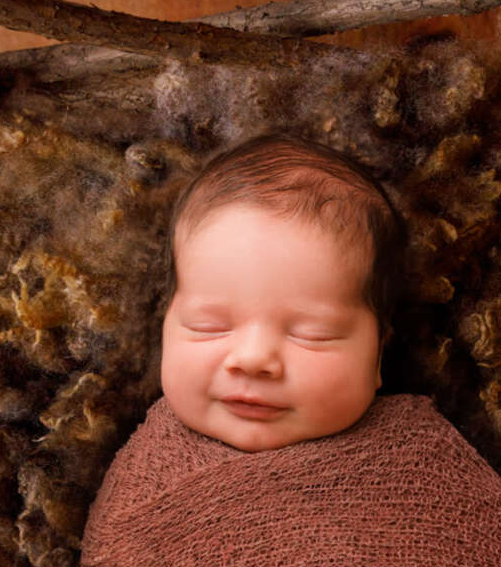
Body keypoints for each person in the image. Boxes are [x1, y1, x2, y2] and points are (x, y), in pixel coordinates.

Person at [157, 132, 405, 452]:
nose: (253, 358)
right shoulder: (140, 459)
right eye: (208, 326)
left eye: (313, 333)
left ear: (379, 351)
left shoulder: (422, 457)